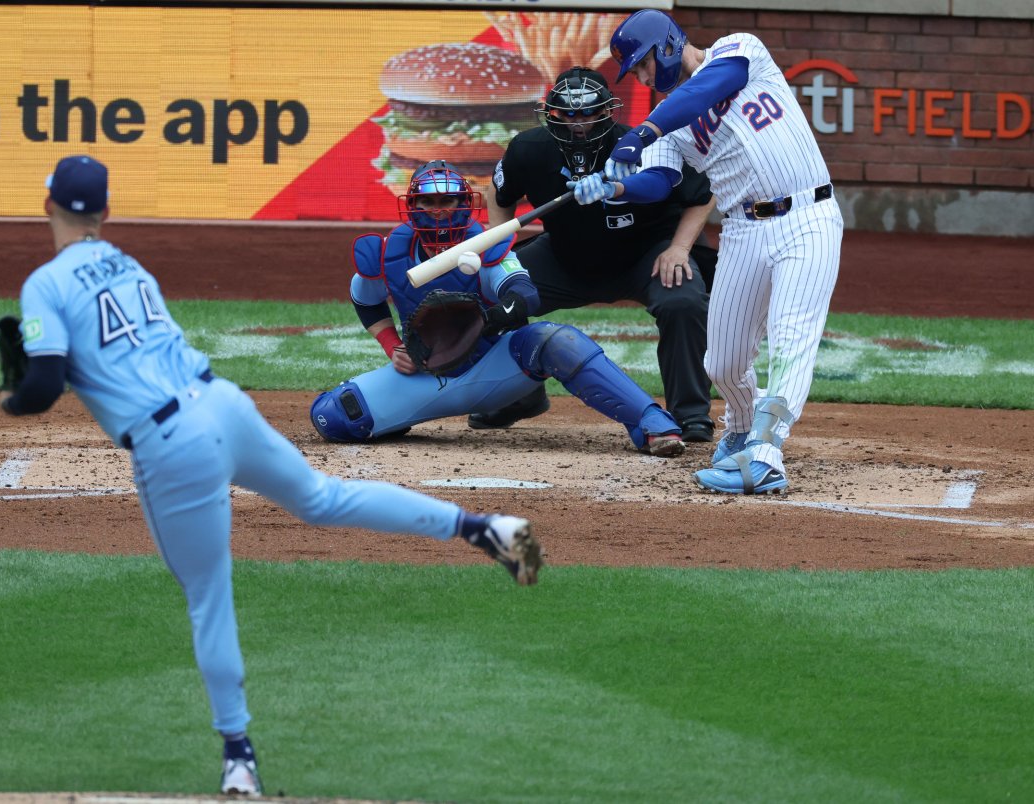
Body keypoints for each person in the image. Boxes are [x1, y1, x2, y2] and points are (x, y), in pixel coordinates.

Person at [0, 155, 545, 798]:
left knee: (208, 596)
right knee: (323, 498)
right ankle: (482, 528)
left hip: (171, 444)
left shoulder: (44, 284)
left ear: (47, 208)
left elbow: (39, 387)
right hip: (225, 405)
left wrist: (12, 395)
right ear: (108, 212)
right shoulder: (129, 265)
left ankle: (239, 758)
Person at [572, 9, 843, 494]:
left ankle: (765, 455)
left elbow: (708, 88)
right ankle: (741, 429)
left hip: (809, 216)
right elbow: (659, 183)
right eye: (635, 71)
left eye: (642, 64)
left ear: (668, 44)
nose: (642, 77)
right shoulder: (668, 124)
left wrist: (642, 133)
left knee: (789, 339)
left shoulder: (738, 51)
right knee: (721, 361)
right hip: (743, 230)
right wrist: (613, 190)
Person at [309, 158, 686, 459]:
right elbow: (364, 298)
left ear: (463, 204)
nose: (439, 211)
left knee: (557, 340)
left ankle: (651, 422)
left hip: (492, 367)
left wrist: (483, 321)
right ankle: (401, 417)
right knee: (333, 417)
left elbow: (524, 293)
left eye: (448, 201)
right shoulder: (390, 251)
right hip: (426, 375)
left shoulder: (486, 244)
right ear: (413, 206)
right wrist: (392, 346)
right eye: (429, 202)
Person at [476, 66, 718, 443]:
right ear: (550, 113)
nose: (578, 125)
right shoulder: (527, 148)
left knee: (683, 299)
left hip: (645, 254)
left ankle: (690, 415)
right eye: (567, 115)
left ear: (608, 111)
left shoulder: (644, 146)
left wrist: (679, 248)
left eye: (589, 114)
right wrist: (498, 253)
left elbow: (703, 195)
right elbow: (499, 194)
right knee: (492, 289)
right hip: (564, 257)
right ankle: (518, 397)